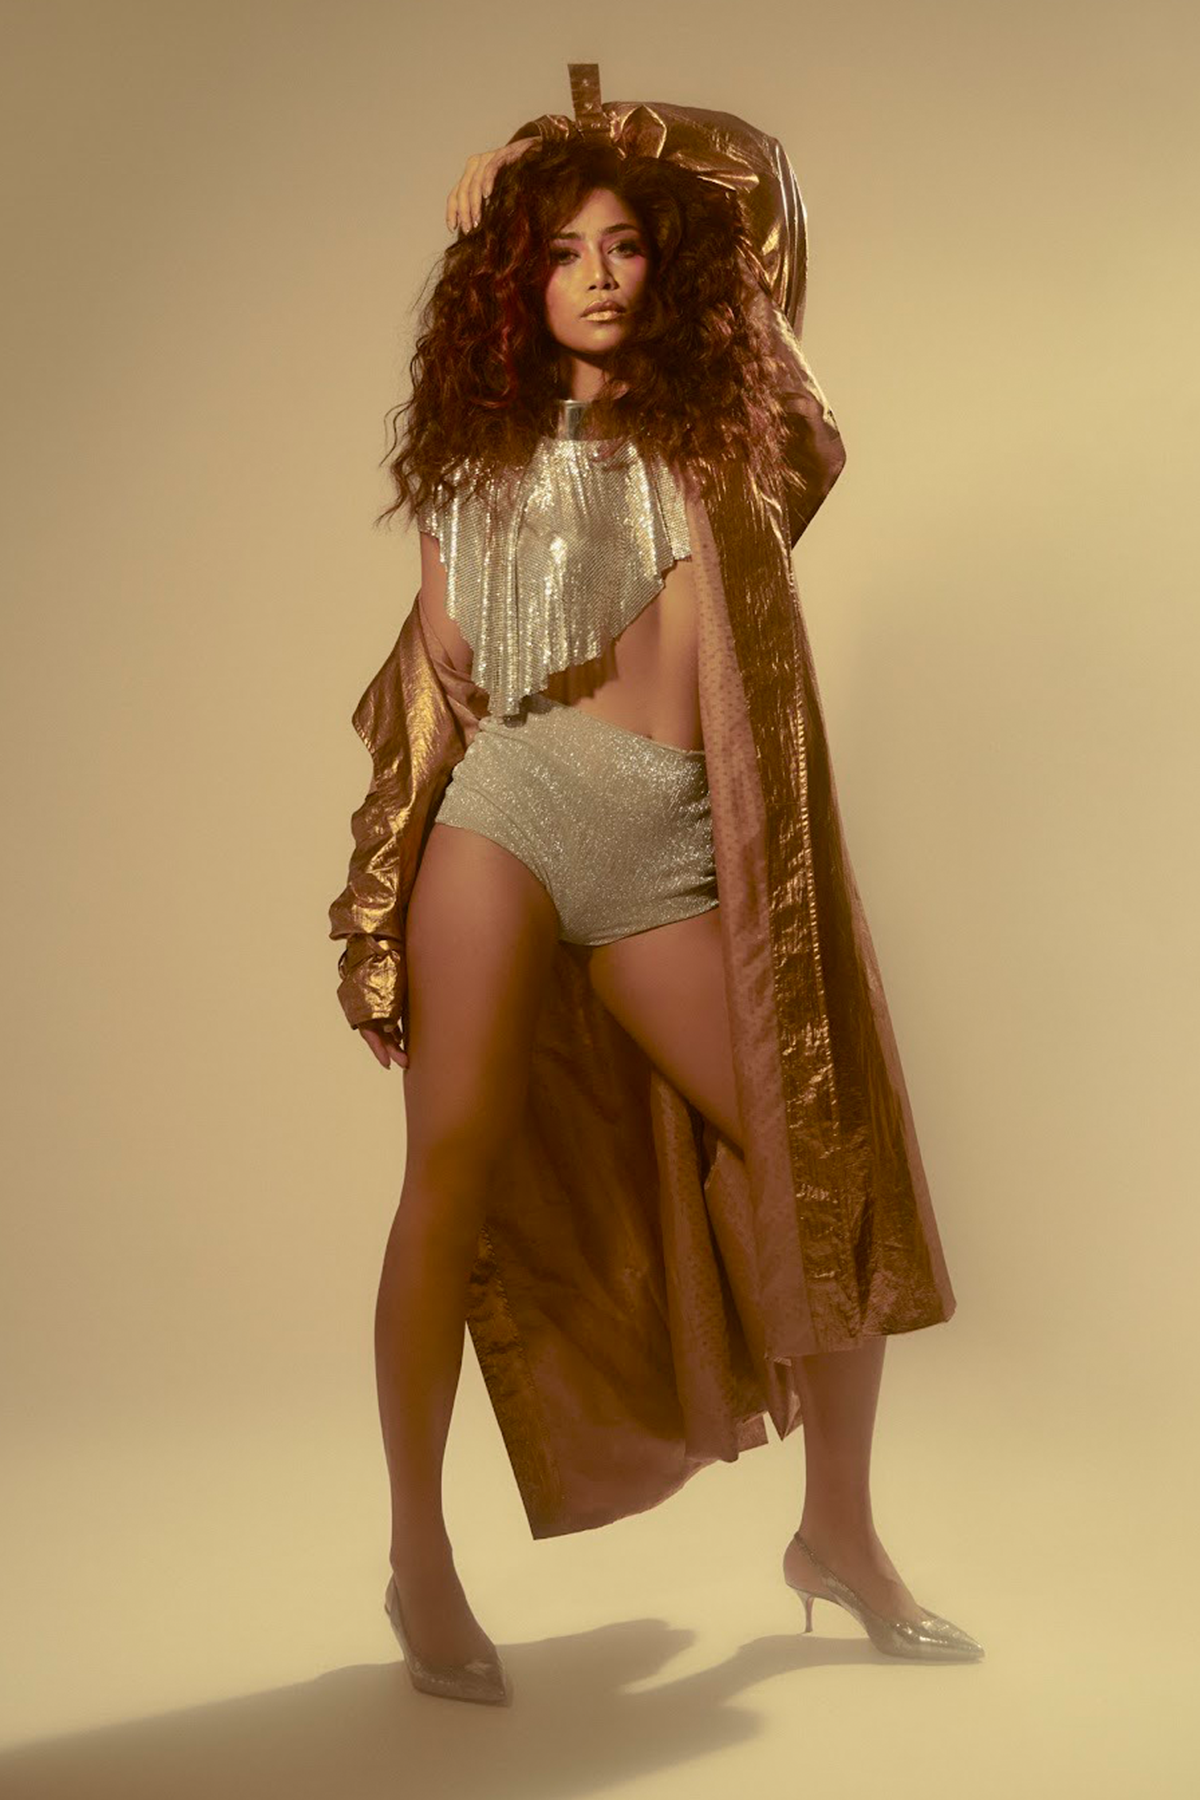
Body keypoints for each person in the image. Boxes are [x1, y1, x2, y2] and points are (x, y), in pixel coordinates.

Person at [327, 66, 983, 1707]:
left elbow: (759, 180)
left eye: (625, 244)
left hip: (673, 855)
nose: (600, 274)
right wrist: (375, 915)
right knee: (445, 1182)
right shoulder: (474, 458)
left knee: (821, 1174)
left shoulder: (743, 441)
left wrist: (573, 145)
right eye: (562, 249)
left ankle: (840, 1531)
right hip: (509, 819)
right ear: (516, 282)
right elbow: (439, 694)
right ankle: (418, 1558)